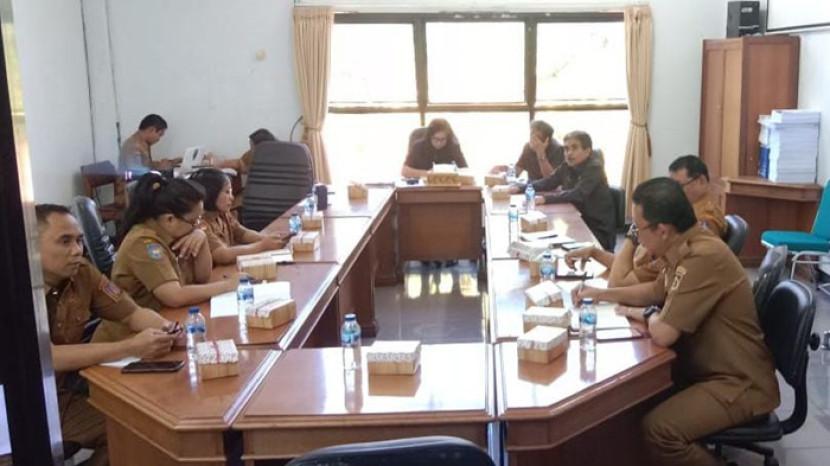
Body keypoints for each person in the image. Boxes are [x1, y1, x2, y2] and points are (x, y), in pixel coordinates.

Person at [575, 178, 779, 466]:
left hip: (738, 383)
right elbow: (655, 290)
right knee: (628, 403)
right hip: (707, 368)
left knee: (660, 430)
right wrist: (600, 294)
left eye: (638, 229)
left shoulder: (703, 256)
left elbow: (664, 333)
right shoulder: (682, 245)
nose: (635, 237)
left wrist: (647, 314)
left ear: (662, 230)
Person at [36, 204, 178, 466]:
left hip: (58, 397)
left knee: (139, 431)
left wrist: (169, 329)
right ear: (31, 246)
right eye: (65, 241)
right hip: (12, 410)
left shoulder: (82, 273)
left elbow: (132, 313)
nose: (77, 250)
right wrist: (130, 347)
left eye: (79, 240)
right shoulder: (13, 288)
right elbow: (48, 357)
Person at [92, 173, 240, 342]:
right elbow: (174, 296)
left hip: (166, 322)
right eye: (194, 221)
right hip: (129, 339)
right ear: (170, 219)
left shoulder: (173, 232)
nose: (198, 225)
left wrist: (202, 237)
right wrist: (228, 286)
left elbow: (202, 277)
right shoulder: (143, 244)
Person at [566, 155, 728, 287]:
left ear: (701, 181)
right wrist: (594, 252)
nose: (672, 193)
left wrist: (634, 232)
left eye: (678, 186)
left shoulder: (701, 222)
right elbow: (632, 265)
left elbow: (622, 281)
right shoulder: (677, 218)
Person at [511, 130, 616, 251]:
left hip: (596, 228)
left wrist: (545, 199)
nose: (569, 153)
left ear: (587, 151)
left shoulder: (594, 168)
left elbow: (578, 194)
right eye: (566, 149)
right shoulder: (567, 165)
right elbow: (549, 182)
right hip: (576, 220)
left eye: (574, 148)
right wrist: (519, 188)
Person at [189, 168, 286, 264]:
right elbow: (222, 255)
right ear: (210, 194)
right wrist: (262, 246)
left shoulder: (223, 214)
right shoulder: (201, 224)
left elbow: (242, 233)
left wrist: (266, 239)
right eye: (227, 192)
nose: (232, 197)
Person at [669, 154, 727, 238]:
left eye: (679, 186)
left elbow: (702, 245)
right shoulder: (689, 210)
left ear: (701, 181)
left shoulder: (707, 217)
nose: (674, 192)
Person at [490, 120, 564, 182]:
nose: (532, 139)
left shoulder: (558, 149)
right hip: (532, 187)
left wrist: (541, 154)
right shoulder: (528, 147)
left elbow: (552, 180)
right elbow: (517, 171)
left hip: (551, 191)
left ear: (547, 140)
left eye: (537, 137)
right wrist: (503, 169)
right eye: (531, 134)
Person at [401, 118, 467, 178]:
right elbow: (404, 171)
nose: (439, 143)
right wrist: (429, 174)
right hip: (422, 185)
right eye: (436, 139)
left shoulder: (453, 147)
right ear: (429, 136)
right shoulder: (418, 147)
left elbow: (465, 171)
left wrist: (453, 173)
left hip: (445, 185)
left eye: (443, 139)